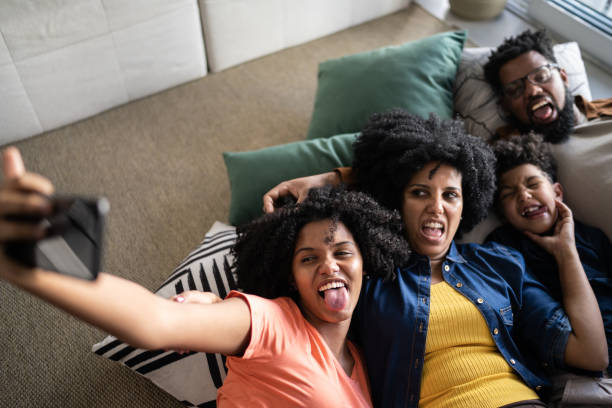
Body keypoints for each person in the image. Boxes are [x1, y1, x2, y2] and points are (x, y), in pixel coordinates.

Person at [0, 147, 411, 407]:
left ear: (367, 261)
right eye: (308, 259)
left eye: (342, 253)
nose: (328, 265)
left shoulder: (364, 364)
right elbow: (155, 321)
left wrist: (334, 177)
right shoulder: (270, 322)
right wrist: (37, 264)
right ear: (290, 278)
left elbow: (413, 171)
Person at [263, 111, 607, 408]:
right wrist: (333, 179)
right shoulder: (367, 274)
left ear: (465, 205)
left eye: (450, 195)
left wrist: (566, 252)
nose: (436, 207)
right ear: (396, 200)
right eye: (419, 192)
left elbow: (591, 354)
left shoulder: (500, 263)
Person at [485, 133, 612, 405]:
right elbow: (590, 355)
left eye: (532, 184)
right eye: (508, 194)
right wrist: (566, 253)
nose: (523, 195)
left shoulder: (593, 238)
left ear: (557, 192)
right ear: (503, 213)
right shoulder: (504, 248)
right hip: (576, 380)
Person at [482, 29, 611, 144]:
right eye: (515, 90)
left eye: (541, 77)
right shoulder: (503, 152)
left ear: (563, 78)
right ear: (505, 106)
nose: (532, 90)